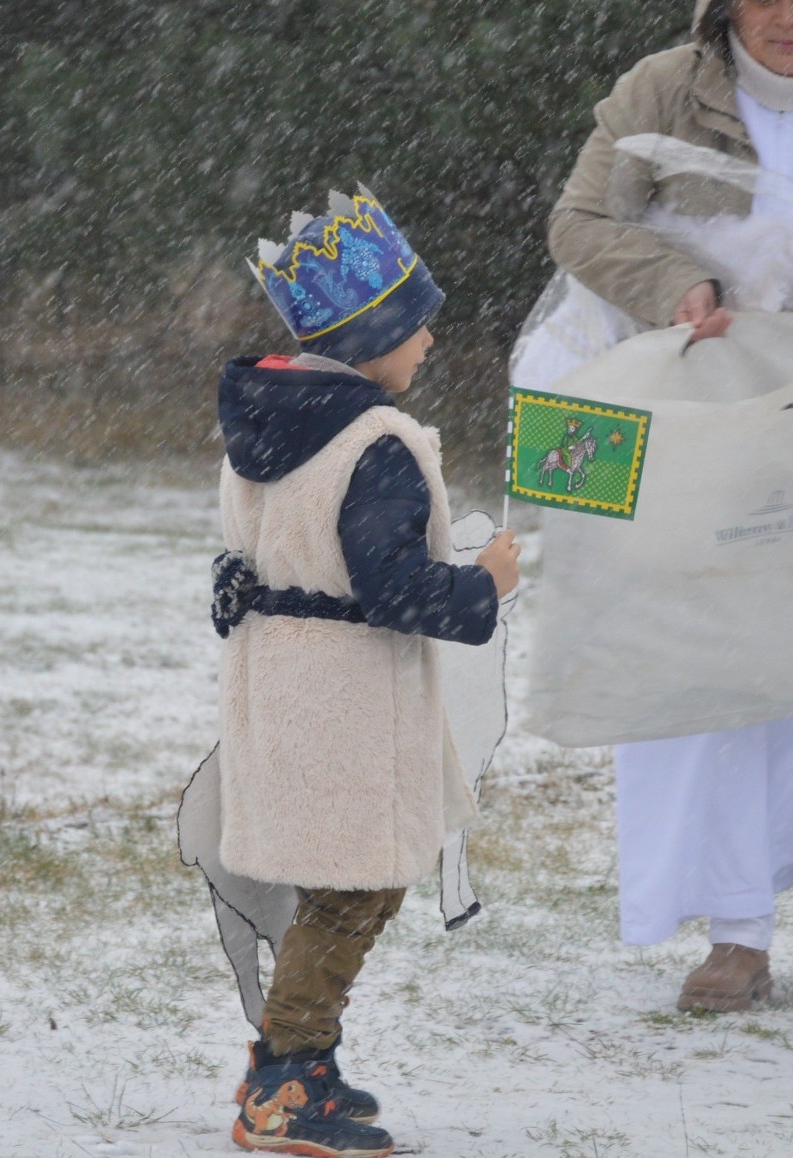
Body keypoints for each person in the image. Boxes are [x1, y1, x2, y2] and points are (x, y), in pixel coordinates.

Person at [214, 186, 520, 1157]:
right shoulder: (374, 442)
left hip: (285, 687)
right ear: (369, 336)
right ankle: (286, 1081)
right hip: (347, 697)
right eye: (416, 325)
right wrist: (484, 586)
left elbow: (251, 557)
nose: (428, 343)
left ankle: (301, 1059)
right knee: (356, 887)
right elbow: (391, 588)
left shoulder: (271, 425)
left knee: (353, 882)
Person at [518, 0, 793, 1013]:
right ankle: (736, 933)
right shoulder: (663, 90)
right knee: (718, 664)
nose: (788, 16)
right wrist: (678, 279)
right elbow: (579, 222)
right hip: (712, 426)